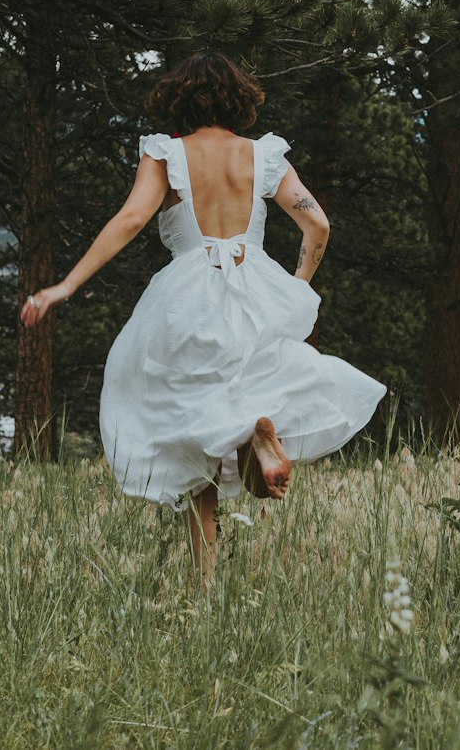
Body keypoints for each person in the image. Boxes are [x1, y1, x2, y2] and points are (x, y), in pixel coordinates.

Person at [20, 53, 386, 573]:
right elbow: (318, 226)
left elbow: (129, 219)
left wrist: (65, 285)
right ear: (239, 99)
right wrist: (294, 290)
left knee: (192, 434)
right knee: (247, 388)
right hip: (256, 287)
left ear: (178, 101)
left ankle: (205, 590)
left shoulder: (166, 154)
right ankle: (257, 437)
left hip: (188, 296)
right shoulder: (264, 156)